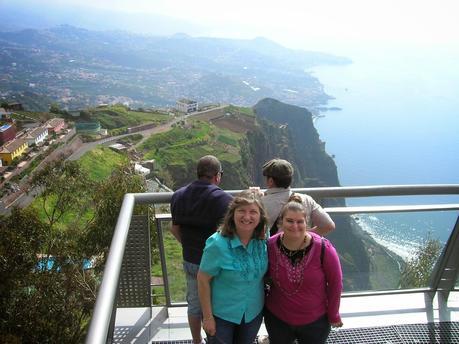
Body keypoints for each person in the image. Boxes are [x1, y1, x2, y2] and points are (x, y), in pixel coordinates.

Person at [170, 155, 233, 344]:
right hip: (215, 263)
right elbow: (229, 234)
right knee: (217, 305)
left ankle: (196, 341)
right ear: (217, 176)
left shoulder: (178, 195)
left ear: (198, 174)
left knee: (195, 306)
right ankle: (215, 338)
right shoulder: (223, 199)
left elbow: (174, 228)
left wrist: (188, 246)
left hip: (190, 259)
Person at [264, 194, 343, 344]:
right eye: (289, 221)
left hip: (315, 321)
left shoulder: (323, 249)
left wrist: (334, 314)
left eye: (300, 221)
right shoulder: (270, 246)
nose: (295, 226)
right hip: (277, 318)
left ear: (307, 223)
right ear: (281, 222)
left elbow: (335, 284)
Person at [197, 190, 269, 344]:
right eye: (241, 211)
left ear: (260, 216)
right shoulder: (217, 243)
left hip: (253, 313)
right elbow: (202, 279)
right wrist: (208, 317)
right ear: (232, 213)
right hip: (222, 315)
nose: (247, 217)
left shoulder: (263, 237)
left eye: (253, 212)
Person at [261, 158, 335, 236]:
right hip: (302, 247)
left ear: (270, 181)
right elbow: (328, 226)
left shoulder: (260, 203)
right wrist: (303, 237)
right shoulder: (307, 200)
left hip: (272, 247)